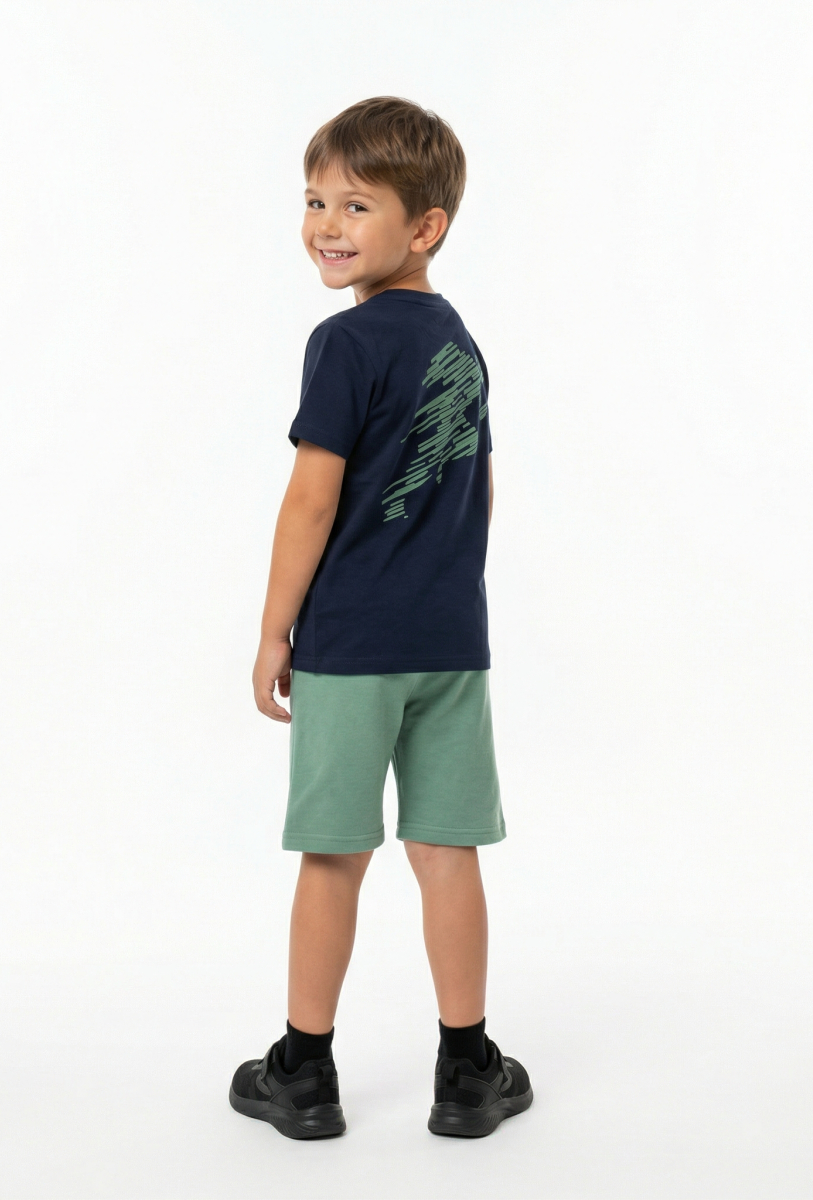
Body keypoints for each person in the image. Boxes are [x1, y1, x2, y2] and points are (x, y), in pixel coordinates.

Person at [229, 96, 532, 1141]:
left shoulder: (345, 343)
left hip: (352, 647)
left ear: (425, 226)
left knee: (334, 855)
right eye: (315, 200)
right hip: (450, 643)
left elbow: (311, 500)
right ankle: (468, 1069)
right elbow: (480, 488)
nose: (327, 224)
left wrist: (276, 630)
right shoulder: (461, 345)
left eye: (357, 205)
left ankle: (304, 1072)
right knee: (448, 851)